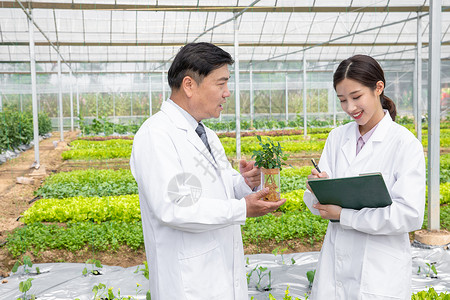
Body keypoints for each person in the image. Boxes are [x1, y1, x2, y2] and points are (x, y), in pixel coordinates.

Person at [130, 42, 285, 300]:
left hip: (219, 273)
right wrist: (242, 208)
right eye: (221, 83)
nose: (227, 93)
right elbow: (175, 208)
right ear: (189, 85)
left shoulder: (207, 135)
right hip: (188, 284)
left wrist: (244, 184)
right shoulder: (156, 135)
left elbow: (216, 189)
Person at [303, 54, 425, 299]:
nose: (350, 108)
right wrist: (316, 188)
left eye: (356, 97)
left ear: (378, 88)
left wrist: (345, 216)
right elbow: (316, 205)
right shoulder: (337, 138)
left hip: (378, 273)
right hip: (335, 270)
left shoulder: (404, 144)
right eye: (342, 100)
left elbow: (409, 215)